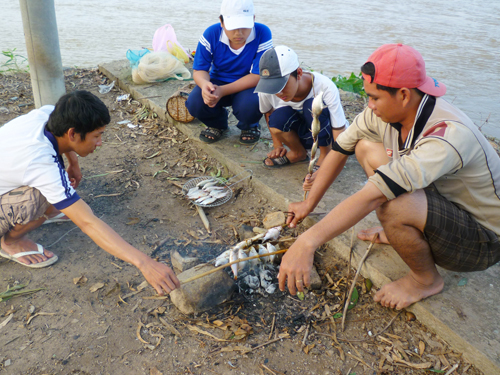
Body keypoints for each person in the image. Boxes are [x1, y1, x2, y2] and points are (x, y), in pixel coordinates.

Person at [280, 44, 500, 310]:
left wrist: (307, 241)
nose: (369, 106)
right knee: (364, 147)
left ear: (404, 95)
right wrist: (308, 204)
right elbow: (340, 150)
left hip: (483, 239)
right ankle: (405, 231)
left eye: (374, 98)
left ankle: (425, 280)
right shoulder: (387, 114)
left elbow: (374, 195)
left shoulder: (448, 136)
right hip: (444, 201)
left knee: (392, 204)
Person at [0, 90, 180, 296]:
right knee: (38, 196)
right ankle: (10, 242)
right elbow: (87, 222)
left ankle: (45, 211)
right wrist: (145, 263)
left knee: (58, 188)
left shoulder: (49, 115)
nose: (100, 142)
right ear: (73, 134)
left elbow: (60, 140)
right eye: (97, 136)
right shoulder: (39, 163)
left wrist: (73, 163)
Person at [185, 0, 272, 145]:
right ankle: (217, 124)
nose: (239, 33)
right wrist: (205, 84)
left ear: (253, 19)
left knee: (251, 106)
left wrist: (223, 91)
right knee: (195, 103)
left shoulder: (262, 33)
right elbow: (200, 70)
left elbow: (258, 75)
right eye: (233, 28)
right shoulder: (211, 33)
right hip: (217, 81)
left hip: (248, 85)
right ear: (221, 21)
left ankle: (249, 125)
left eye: (244, 27)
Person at [254, 45, 348, 169]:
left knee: (313, 105)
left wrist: (336, 159)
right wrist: (278, 145)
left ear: (298, 73)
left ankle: (325, 155)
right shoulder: (267, 91)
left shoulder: (324, 86)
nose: (279, 93)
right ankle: (298, 152)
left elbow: (338, 129)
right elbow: (268, 114)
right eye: (273, 87)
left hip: (326, 134)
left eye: (281, 85)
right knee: (277, 118)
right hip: (301, 135)